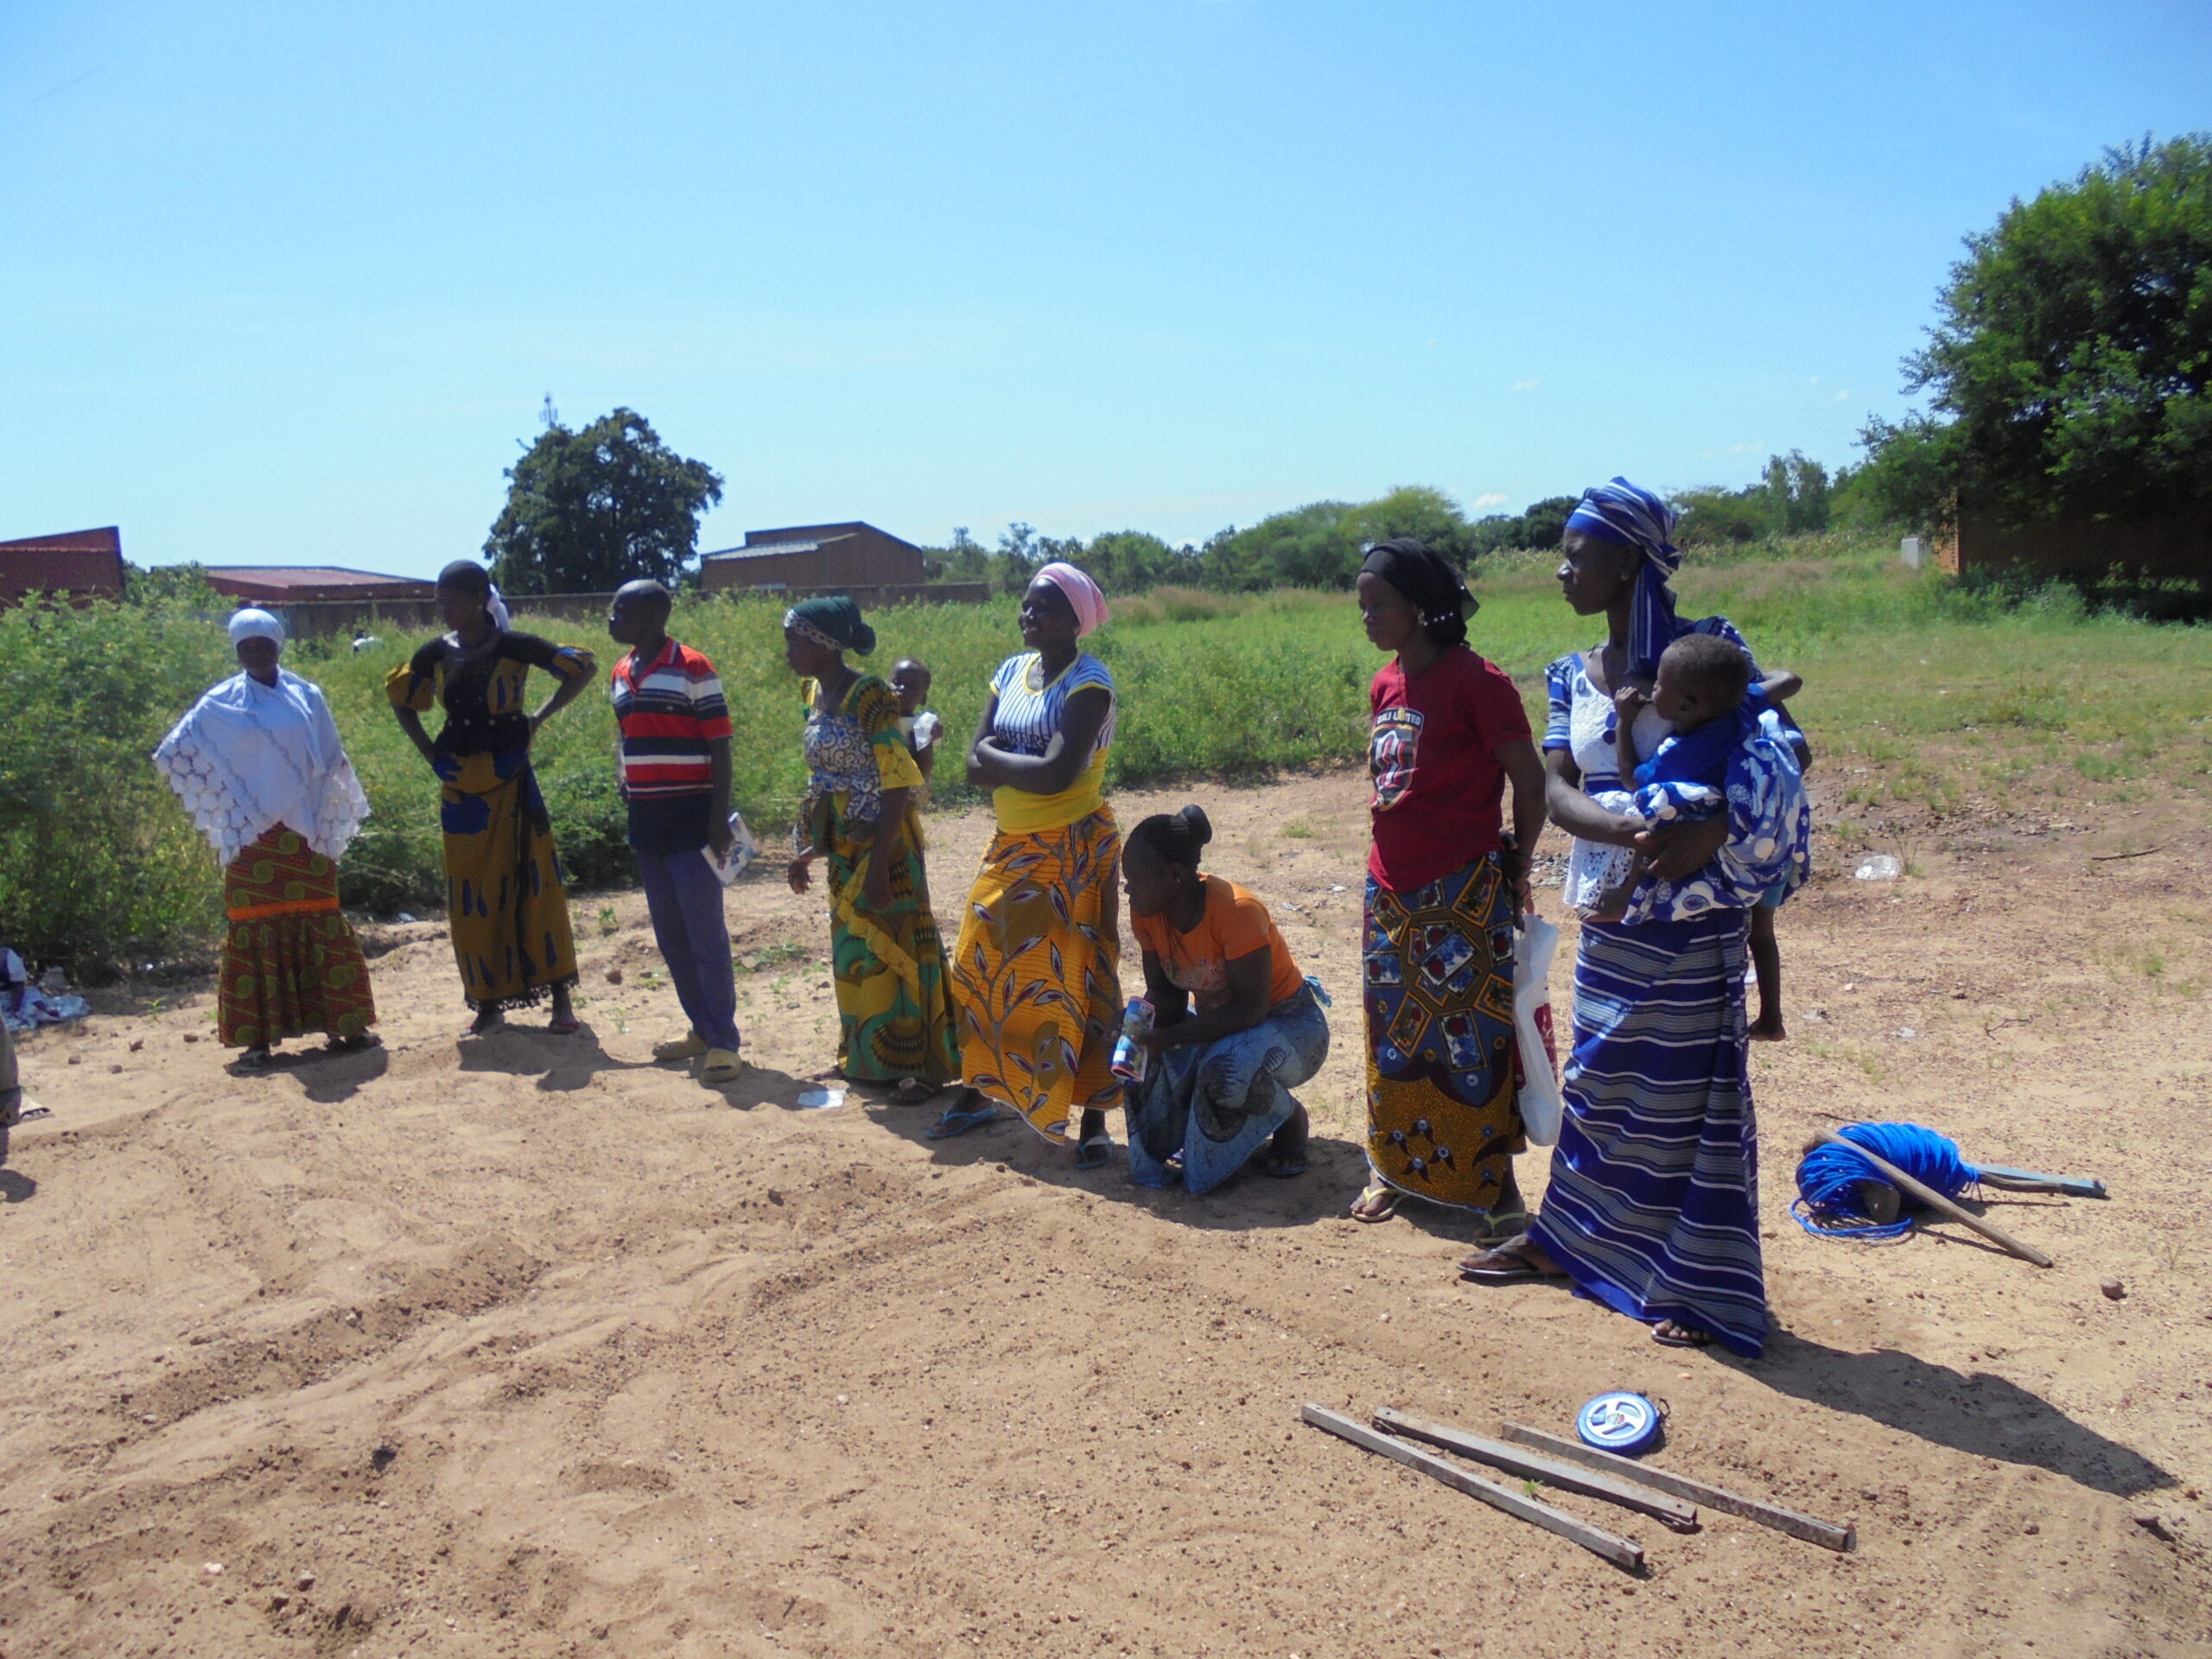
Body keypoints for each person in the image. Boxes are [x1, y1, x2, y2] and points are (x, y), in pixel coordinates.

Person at [1459, 479, 1809, 1357]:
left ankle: (1694, 1282)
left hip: (1695, 922)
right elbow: (1554, 788)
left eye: (1577, 554)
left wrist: (1715, 827)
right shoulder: (1569, 675)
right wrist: (1626, 826)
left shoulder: (1710, 651)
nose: (1561, 570)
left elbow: (1785, 748)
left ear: (1627, 562)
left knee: (1687, 1104)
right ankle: (1566, 1241)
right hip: (1611, 917)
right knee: (1602, 1086)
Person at [1348, 539, 1547, 1227]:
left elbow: (1529, 781)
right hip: (1391, 893)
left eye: (1380, 604)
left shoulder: (1477, 681)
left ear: (1421, 608)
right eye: (1363, 605)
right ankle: (1397, 1169)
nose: (1368, 617)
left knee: (1471, 1039)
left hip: (1461, 889)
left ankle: (1494, 1188)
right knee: (1394, 1036)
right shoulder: (1385, 684)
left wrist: (1516, 866)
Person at [933, 563, 1123, 1165]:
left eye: (1042, 608)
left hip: (1072, 850)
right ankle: (981, 1089)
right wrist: (1019, 763)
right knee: (976, 966)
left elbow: (1059, 774)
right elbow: (969, 765)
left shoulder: (1090, 684)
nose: (1028, 616)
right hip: (1012, 845)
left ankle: (1094, 1115)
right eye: (1025, 606)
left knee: (1080, 976)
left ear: (1075, 619)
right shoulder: (1010, 672)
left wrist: (999, 756)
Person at [153, 608, 379, 1071]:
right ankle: (257, 1040)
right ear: (236, 650)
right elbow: (177, 749)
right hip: (252, 839)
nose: (255, 653)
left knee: (321, 920)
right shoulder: (218, 703)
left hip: (305, 833)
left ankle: (346, 1026)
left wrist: (322, 814)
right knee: (254, 925)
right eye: (246, 647)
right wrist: (227, 805)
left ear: (279, 646)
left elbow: (330, 757)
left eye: (264, 644)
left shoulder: (307, 695)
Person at [385, 563, 596, 1035]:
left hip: (512, 776)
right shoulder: (434, 654)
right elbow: (402, 700)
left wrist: (537, 719)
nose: (444, 608)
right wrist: (430, 754)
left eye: (452, 599)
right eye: (439, 600)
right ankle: (486, 1002)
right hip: (460, 783)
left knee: (533, 881)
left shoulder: (516, 645)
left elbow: (581, 668)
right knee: (471, 891)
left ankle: (560, 999)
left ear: (481, 597)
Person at [783, 597, 961, 1103]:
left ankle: (919, 1068)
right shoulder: (812, 692)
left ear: (825, 644)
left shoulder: (871, 696)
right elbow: (823, 780)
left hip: (885, 838)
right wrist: (808, 850)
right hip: (841, 839)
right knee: (854, 950)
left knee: (900, 942)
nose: (789, 652)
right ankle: (863, 1057)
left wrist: (881, 860)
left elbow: (898, 778)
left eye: (796, 641)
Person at [1122, 805, 1325, 1192]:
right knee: (1136, 1063)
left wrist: (1170, 1037)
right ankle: (1197, 1137)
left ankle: (1288, 1118)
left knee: (1224, 1071)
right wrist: (1133, 1026)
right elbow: (1167, 998)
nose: (1128, 890)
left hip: (1291, 1025)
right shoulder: (1148, 914)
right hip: (1221, 1028)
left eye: (1134, 880)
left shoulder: (1236, 911)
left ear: (1175, 875)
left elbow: (1252, 1008)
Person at [607, 580, 742, 1086]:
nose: (611, 618)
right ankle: (700, 1030)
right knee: (671, 936)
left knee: (706, 934)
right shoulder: (622, 672)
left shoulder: (693, 667)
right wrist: (624, 775)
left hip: (692, 820)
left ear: (651, 617)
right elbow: (623, 735)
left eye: (619, 610)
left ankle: (725, 1041)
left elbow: (721, 747)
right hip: (647, 822)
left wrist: (717, 819)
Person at [1588, 632, 1758, 918]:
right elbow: (1789, 680)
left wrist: (1623, 722)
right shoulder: (1741, 708)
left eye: (1657, 684)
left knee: (1655, 810)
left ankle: (1628, 898)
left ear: (1684, 707)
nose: (1651, 690)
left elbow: (1632, 780)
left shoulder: (1678, 755)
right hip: (1746, 824)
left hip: (1699, 830)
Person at [889, 658, 944, 804]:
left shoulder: (922, 725)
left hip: (909, 789)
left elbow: (924, 769)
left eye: (911, 686)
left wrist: (930, 737)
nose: (901, 689)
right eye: (896, 682)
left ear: (923, 697)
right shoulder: (877, 719)